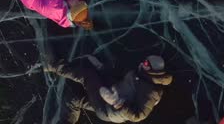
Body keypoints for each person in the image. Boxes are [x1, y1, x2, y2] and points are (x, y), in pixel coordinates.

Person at [43, 54, 173, 123]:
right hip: (110, 93)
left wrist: (118, 103)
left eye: (146, 63)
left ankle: (54, 66)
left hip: (108, 109)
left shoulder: (152, 91)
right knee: (74, 99)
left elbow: (138, 115)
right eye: (145, 60)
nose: (142, 63)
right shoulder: (141, 74)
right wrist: (101, 68)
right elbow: (121, 83)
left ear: (152, 70)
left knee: (88, 76)